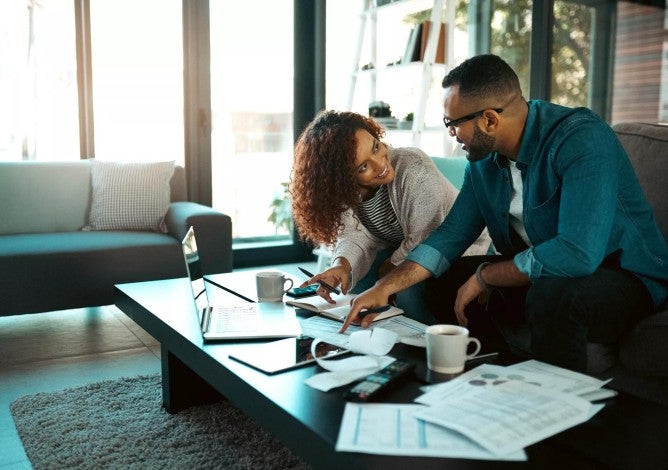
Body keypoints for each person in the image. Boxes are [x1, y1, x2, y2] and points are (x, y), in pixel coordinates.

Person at [341, 54, 668, 373]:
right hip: (545, 273)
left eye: (453, 124)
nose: (450, 135)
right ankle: (490, 373)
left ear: (489, 119)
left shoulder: (581, 139)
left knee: (553, 293)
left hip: (624, 276)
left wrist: (487, 276)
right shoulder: (482, 162)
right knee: (437, 281)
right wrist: (384, 286)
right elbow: (450, 237)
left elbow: (577, 253)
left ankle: (556, 410)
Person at [290, 110, 491, 325]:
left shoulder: (413, 166)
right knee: (355, 283)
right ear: (344, 180)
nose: (380, 163)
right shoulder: (346, 192)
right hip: (403, 246)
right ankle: (380, 328)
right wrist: (341, 266)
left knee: (405, 289)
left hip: (456, 247)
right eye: (364, 167)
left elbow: (426, 239)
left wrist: (387, 274)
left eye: (376, 147)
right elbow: (353, 236)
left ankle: (424, 335)